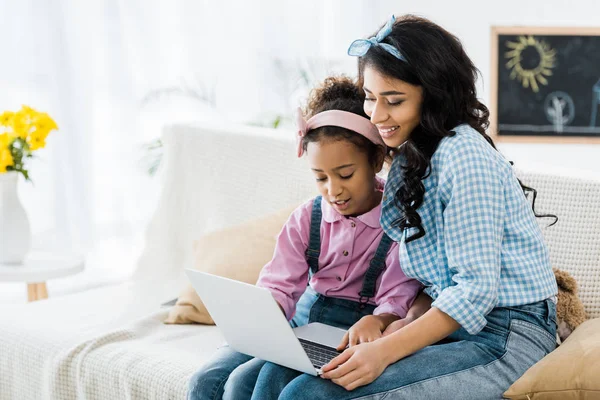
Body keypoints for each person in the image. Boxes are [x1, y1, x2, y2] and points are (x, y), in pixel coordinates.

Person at [250, 15, 558, 400]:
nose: (376, 115)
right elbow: (437, 284)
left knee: (309, 394)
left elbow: (475, 291)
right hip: (451, 325)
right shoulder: (412, 159)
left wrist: (385, 351)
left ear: (433, 94)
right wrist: (402, 324)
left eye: (393, 100)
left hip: (507, 335)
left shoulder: (465, 157)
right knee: (275, 380)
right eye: (370, 97)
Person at [187, 76, 426, 400]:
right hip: (302, 321)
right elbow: (280, 285)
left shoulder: (398, 221)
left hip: (353, 333)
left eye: (345, 175)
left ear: (375, 160)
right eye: (320, 178)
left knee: (248, 383)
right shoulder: (306, 218)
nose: (333, 189)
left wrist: (380, 319)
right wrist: (264, 312)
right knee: (207, 379)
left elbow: (399, 294)